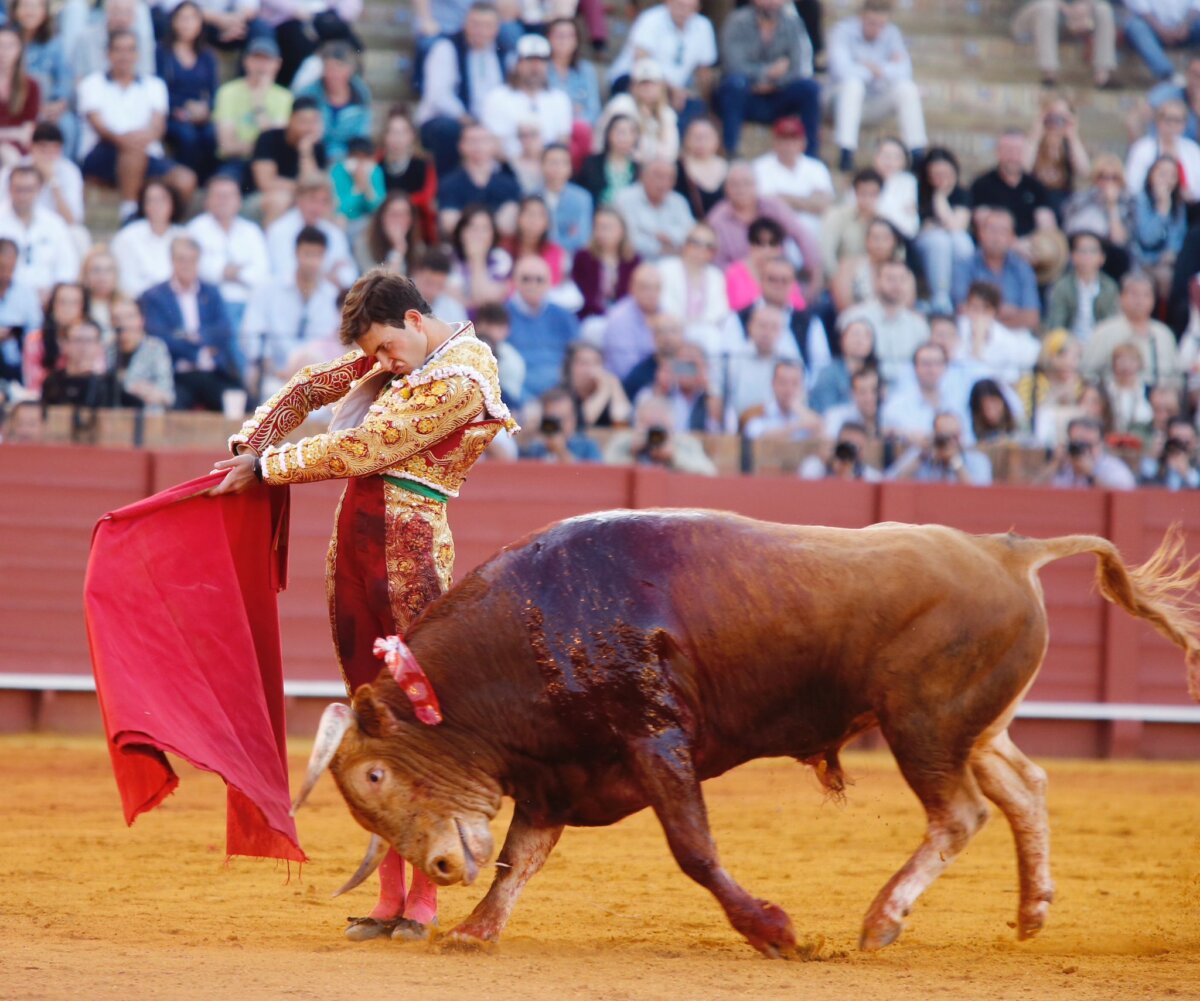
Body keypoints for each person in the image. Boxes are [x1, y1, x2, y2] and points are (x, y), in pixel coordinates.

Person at [212, 289, 516, 944]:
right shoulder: (400, 355)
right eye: (373, 353)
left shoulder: (464, 375)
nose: (384, 362)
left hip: (411, 552)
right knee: (370, 717)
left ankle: (426, 894)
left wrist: (267, 466)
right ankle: (387, 894)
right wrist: (249, 443)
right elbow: (310, 387)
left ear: (414, 319)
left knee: (421, 723)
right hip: (353, 546)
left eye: (386, 347)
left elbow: (367, 446)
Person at [77, 29, 197, 222]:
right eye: (118, 50)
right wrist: (129, 141)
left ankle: (166, 226)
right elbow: (98, 125)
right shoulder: (92, 83)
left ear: (137, 54)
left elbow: (157, 126)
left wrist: (137, 140)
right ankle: (129, 213)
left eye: (130, 50)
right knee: (132, 152)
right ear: (108, 54)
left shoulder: (155, 85)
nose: (124, 56)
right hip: (101, 153)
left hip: (146, 153)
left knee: (185, 179)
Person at [241, 224, 341, 400]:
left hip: (316, 380)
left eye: (318, 255)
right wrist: (271, 367)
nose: (312, 262)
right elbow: (252, 334)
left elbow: (333, 344)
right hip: (273, 375)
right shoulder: (268, 289)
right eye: (307, 254)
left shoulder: (331, 296)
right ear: (296, 253)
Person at [825, 0, 926, 173]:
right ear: (861, 18)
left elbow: (904, 71)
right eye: (871, 23)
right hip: (838, 103)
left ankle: (916, 153)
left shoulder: (892, 34)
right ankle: (846, 151)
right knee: (853, 85)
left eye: (881, 24)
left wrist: (873, 68)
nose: (876, 29)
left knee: (907, 89)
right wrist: (881, 69)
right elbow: (841, 70)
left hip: (874, 102)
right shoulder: (842, 31)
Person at [139, 235, 239, 410]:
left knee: (245, 405)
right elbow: (159, 335)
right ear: (172, 260)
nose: (186, 265)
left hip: (212, 372)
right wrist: (198, 351)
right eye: (181, 259)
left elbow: (224, 330)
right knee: (171, 409)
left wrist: (196, 336)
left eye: (192, 260)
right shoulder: (155, 296)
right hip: (175, 375)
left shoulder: (211, 292)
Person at [414, 3, 507, 178]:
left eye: (487, 25)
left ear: (496, 29)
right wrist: (466, 119)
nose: (481, 31)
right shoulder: (446, 47)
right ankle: (447, 185)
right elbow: (439, 95)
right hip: (451, 119)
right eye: (476, 24)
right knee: (447, 130)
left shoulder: (502, 53)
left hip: (487, 122)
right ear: (465, 24)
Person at [717, 0, 819, 159]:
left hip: (779, 93)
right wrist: (766, 73)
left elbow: (797, 66)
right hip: (747, 93)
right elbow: (733, 64)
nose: (771, 3)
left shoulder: (793, 24)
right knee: (734, 84)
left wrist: (775, 83)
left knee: (809, 88)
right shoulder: (737, 22)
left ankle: (810, 155)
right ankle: (730, 151)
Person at [705, 161, 821, 294]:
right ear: (726, 189)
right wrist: (747, 274)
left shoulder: (774, 207)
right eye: (734, 184)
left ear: (756, 186)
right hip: (738, 287)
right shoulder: (717, 219)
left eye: (746, 183)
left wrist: (815, 276)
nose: (741, 189)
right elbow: (717, 263)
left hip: (781, 280)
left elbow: (802, 236)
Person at [606, 0, 717, 132]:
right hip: (635, 79)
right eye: (680, 5)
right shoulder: (651, 18)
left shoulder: (703, 26)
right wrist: (670, 89)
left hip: (674, 90)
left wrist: (698, 96)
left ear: (697, 8)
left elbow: (704, 71)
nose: (683, 11)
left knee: (695, 107)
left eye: (689, 7)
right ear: (668, 2)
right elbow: (641, 62)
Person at [186, 173, 271, 337]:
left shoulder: (251, 231)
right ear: (207, 201)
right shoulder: (195, 229)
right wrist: (234, 271)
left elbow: (262, 273)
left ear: (239, 201)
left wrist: (227, 271)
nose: (223, 201)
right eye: (218, 196)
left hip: (249, 303)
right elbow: (198, 270)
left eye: (229, 196)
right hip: (209, 303)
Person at [480, 33, 572, 165]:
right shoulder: (497, 97)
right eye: (529, 61)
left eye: (541, 61)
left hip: (548, 170)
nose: (535, 67)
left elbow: (562, 141)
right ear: (517, 63)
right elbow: (494, 145)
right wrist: (522, 165)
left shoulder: (560, 99)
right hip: (508, 169)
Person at [1083, 271, 1181, 387]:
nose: (1139, 301)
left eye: (1146, 295)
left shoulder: (1164, 334)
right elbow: (1087, 373)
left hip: (1159, 395)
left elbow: (1176, 378)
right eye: (1134, 294)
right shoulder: (1105, 331)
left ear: (1153, 300)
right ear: (1120, 297)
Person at [212, 35, 293, 175]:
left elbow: (275, 143)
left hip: (271, 163)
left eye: (267, 60)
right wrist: (260, 148)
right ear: (246, 61)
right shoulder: (227, 92)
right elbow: (226, 144)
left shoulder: (285, 97)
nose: (261, 66)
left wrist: (259, 103)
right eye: (256, 59)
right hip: (236, 161)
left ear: (277, 64)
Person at [156, 1, 219, 182]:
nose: (187, 24)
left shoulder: (207, 56)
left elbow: (214, 91)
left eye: (192, 18)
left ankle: (206, 183)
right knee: (187, 136)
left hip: (200, 114)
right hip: (171, 113)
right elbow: (158, 89)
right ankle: (185, 182)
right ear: (173, 22)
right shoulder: (162, 52)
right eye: (182, 18)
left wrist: (206, 109)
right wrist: (180, 109)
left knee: (211, 134)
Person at [843, 256, 928, 385]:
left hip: (908, 388)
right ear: (877, 281)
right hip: (867, 388)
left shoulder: (918, 325)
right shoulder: (854, 317)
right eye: (890, 279)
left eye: (902, 279)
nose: (896, 285)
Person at [953, 208, 1040, 330]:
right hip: (975, 330)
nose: (996, 237)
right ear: (980, 233)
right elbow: (962, 309)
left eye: (1003, 232)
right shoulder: (965, 265)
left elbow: (1032, 318)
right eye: (992, 230)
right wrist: (1009, 311)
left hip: (1015, 334)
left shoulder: (1022, 268)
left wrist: (986, 310)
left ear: (1012, 237)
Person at [265, 172, 357, 289]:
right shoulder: (279, 231)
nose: (317, 207)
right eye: (312, 200)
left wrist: (336, 277)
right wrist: (325, 274)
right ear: (298, 199)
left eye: (324, 201)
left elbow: (349, 274)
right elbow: (284, 273)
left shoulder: (333, 233)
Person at [505, 253, 578, 399]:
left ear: (549, 282)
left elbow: (577, 355)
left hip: (561, 394)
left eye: (539, 279)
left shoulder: (563, 316)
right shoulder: (502, 316)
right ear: (514, 281)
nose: (533, 285)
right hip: (516, 397)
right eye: (526, 279)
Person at [0, 165, 78, 301]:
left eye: (29, 189)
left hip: (48, 299)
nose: (23, 196)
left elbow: (67, 267)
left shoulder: (54, 224)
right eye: (18, 189)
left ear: (39, 189)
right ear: (9, 189)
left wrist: (54, 294)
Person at [12, 0, 77, 161]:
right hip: (14, 105)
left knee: (67, 124)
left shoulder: (54, 44)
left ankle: (62, 170)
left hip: (46, 106)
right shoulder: (7, 39)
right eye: (25, 6)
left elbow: (64, 78)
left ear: (44, 12)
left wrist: (59, 103)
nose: (30, 12)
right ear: (15, 11)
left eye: (35, 7)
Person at [249, 95, 328, 225]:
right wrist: (301, 189)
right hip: (259, 198)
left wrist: (305, 152)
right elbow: (266, 182)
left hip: (297, 198)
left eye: (314, 122)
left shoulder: (317, 146)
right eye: (303, 121)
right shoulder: (269, 138)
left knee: (323, 206)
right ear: (290, 120)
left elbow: (312, 185)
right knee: (281, 200)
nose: (309, 127)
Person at [751, 116, 833, 239]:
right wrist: (808, 201)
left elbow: (823, 204)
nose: (788, 145)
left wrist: (783, 198)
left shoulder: (816, 167)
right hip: (773, 240)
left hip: (812, 238)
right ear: (775, 142)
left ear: (803, 142)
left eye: (793, 139)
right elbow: (763, 204)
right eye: (784, 139)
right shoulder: (759, 167)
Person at [656, 222, 730, 357]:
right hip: (672, 332)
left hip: (707, 336)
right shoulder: (665, 269)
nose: (701, 250)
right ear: (685, 245)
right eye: (695, 243)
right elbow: (664, 305)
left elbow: (719, 311)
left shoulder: (716, 276)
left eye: (708, 247)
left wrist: (698, 327)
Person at [436, 121, 521, 236]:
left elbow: (508, 226)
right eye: (472, 140)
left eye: (483, 140)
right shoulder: (449, 184)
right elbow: (450, 225)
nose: (478, 146)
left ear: (493, 145)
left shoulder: (509, 184)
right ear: (461, 145)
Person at [294, 39, 372, 162]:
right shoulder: (307, 93)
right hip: (313, 155)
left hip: (349, 160)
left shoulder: (361, 94)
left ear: (350, 69)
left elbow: (361, 135)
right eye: (328, 68)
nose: (332, 74)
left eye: (338, 68)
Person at [915, 148, 973, 314]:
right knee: (939, 240)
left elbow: (956, 226)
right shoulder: (918, 191)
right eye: (937, 174)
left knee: (961, 242)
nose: (942, 178)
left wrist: (939, 197)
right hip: (925, 246)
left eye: (946, 173)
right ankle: (940, 298)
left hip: (952, 241)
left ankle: (961, 297)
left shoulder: (961, 194)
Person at [602, 391, 717, 474]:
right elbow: (603, 471)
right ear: (637, 424)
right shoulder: (623, 442)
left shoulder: (685, 444)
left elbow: (709, 473)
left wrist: (674, 456)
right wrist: (632, 454)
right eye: (648, 426)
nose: (654, 434)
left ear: (671, 427)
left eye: (659, 427)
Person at [1011, 0, 1116, 88]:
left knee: (1103, 9)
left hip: (1067, 20)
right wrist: (1066, 8)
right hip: (1031, 17)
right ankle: (1049, 75)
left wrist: (1085, 7)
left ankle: (1102, 76)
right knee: (1047, 7)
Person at [109, 178, 185, 299]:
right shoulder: (127, 237)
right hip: (139, 300)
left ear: (173, 203)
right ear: (143, 205)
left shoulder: (184, 236)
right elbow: (125, 280)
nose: (157, 206)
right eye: (151, 200)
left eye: (162, 200)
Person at [596, 58, 680, 166]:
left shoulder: (667, 114)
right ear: (633, 86)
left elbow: (670, 153)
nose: (648, 88)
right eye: (643, 84)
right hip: (616, 164)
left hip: (653, 168)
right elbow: (602, 141)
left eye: (652, 84)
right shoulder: (620, 105)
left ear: (661, 87)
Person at [613, 157, 694, 263]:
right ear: (643, 176)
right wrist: (660, 249)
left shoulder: (679, 201)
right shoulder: (625, 198)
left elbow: (690, 234)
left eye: (670, 178)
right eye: (658, 176)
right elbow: (627, 237)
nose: (664, 182)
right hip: (634, 262)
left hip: (673, 264)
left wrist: (669, 236)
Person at [1131, 155, 1188, 303]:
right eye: (1162, 174)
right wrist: (1162, 210)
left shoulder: (1178, 205)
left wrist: (1171, 253)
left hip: (1165, 263)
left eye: (1172, 175)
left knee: (1172, 279)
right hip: (1140, 261)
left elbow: (1177, 238)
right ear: (1151, 175)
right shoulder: (1140, 201)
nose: (1167, 180)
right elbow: (1147, 238)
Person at [1043, 230, 1119, 340]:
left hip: (1100, 341)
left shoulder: (1109, 287)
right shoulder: (1062, 286)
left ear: (1102, 258)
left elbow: (1111, 323)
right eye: (1082, 251)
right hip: (1069, 342)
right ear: (1073, 256)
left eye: (1092, 251)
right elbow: (1056, 324)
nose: (1087, 256)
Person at [545, 17, 600, 168]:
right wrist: (570, 110)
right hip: (549, 129)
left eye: (570, 36)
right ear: (549, 38)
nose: (565, 41)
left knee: (581, 132)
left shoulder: (586, 70)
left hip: (577, 131)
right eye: (560, 36)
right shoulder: (542, 68)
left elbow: (593, 110)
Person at [1025, 93, 1090, 218]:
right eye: (1052, 116)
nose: (1055, 123)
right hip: (1035, 201)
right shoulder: (1034, 143)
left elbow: (1084, 172)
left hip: (1064, 202)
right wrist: (1036, 134)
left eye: (1061, 117)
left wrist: (1072, 136)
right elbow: (1023, 169)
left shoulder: (1070, 145)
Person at [886, 410, 992, 485]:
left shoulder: (978, 460)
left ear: (961, 436)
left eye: (954, 437)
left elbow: (980, 496)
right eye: (943, 437)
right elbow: (890, 484)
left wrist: (956, 462)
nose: (948, 442)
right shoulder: (921, 456)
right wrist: (921, 457)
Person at [1124, 99, 1200, 203]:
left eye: (1177, 120)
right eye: (1168, 119)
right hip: (1149, 204)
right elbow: (1133, 186)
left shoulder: (1192, 150)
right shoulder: (1142, 148)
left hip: (1189, 205)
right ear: (1158, 121)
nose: (1172, 125)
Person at [573, 205, 639, 321]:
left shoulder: (633, 260)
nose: (602, 232)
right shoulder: (583, 257)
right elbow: (581, 295)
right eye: (598, 227)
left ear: (622, 230)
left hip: (625, 318)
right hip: (591, 317)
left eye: (607, 227)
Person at [108, 296, 174, 409]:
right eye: (117, 318)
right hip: (111, 414)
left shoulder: (155, 348)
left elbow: (168, 395)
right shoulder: (107, 349)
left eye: (129, 317)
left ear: (141, 320)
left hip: (147, 414)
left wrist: (149, 391)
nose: (123, 323)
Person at [21, 279, 86, 390]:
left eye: (74, 303)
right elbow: (33, 382)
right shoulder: (35, 340)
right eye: (62, 302)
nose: (67, 309)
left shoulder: (91, 339)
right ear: (52, 306)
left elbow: (97, 374)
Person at [600, 261, 661, 380]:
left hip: (662, 382)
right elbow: (625, 371)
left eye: (656, 288)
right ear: (632, 288)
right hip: (628, 384)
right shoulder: (619, 319)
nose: (651, 293)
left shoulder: (666, 314)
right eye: (645, 288)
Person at [40, 319, 115, 410]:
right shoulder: (52, 382)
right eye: (77, 340)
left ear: (99, 346)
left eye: (89, 341)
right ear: (64, 344)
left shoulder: (109, 384)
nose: (83, 347)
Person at [821, 166, 882, 279]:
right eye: (863, 193)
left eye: (873, 194)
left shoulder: (885, 222)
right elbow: (826, 252)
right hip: (841, 277)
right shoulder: (837, 216)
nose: (867, 199)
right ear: (855, 193)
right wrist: (837, 279)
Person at [1043, 415, 1136, 488]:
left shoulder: (1113, 469)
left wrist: (1091, 475)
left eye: (1088, 445)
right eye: (1077, 444)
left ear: (1101, 444)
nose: (1084, 451)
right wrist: (1054, 464)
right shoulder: (1063, 466)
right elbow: (1036, 492)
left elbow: (1123, 497)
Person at [448, 204, 511, 310]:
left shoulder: (501, 259)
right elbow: (451, 299)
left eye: (485, 228)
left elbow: (486, 301)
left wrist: (477, 259)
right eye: (473, 228)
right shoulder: (448, 257)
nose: (478, 234)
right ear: (461, 232)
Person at [808, 315, 876, 413]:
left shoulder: (876, 373)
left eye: (866, 336)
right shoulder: (828, 374)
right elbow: (826, 413)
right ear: (842, 340)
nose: (859, 340)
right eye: (855, 335)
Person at [1121, 0, 1200, 83]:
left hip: (1188, 26)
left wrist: (1185, 25)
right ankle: (1169, 75)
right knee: (1135, 26)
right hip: (1152, 28)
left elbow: (1197, 5)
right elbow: (1140, 7)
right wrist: (1161, 30)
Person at [743, 358, 821, 441]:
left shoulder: (807, 414)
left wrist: (800, 409)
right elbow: (758, 437)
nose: (789, 389)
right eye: (783, 383)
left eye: (795, 383)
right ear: (773, 384)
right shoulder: (758, 413)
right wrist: (799, 425)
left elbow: (822, 434)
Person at [520, 385, 602, 462]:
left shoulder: (587, 447)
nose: (559, 426)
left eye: (563, 419)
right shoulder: (535, 448)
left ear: (573, 419)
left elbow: (593, 471)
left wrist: (561, 452)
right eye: (552, 420)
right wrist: (525, 435)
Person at [539, 143, 592, 260]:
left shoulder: (582, 198)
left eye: (564, 163)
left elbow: (582, 238)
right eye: (553, 162)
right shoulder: (533, 196)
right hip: (539, 258)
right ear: (542, 165)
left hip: (572, 258)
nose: (558, 168)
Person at [574, 114, 639, 208]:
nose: (626, 137)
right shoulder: (592, 164)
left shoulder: (639, 169)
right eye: (621, 132)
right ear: (609, 134)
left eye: (631, 133)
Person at [565, 340, 632, 429]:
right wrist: (604, 390)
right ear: (569, 367)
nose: (590, 369)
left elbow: (622, 423)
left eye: (596, 363)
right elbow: (582, 423)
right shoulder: (562, 394)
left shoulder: (609, 385)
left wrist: (615, 386)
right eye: (583, 363)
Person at [354, 191, 421, 276]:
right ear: (382, 218)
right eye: (394, 215)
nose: (399, 220)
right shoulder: (364, 243)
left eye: (404, 214)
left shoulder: (417, 246)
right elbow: (374, 280)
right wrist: (398, 250)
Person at [0, 25, 40, 166]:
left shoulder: (31, 86)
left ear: (19, 50)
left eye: (10, 46)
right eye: (0, 45)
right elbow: (21, 132)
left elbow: (28, 132)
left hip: (17, 150)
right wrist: (15, 132)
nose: (4, 51)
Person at [674, 116, 727, 219]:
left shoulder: (729, 168)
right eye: (696, 137)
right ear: (686, 139)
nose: (701, 142)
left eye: (706, 137)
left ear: (717, 139)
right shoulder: (677, 168)